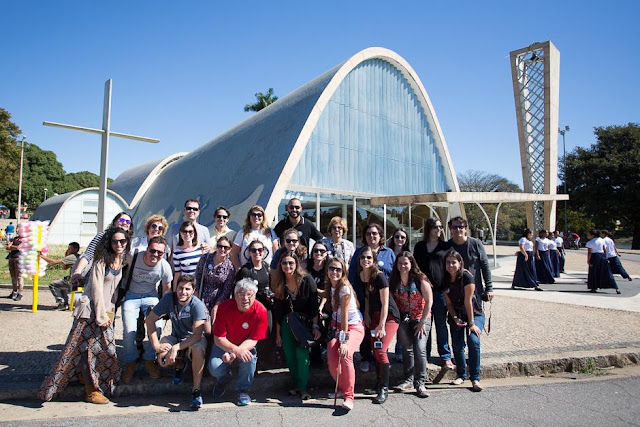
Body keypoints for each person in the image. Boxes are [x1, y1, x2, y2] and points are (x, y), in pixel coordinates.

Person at [39, 227, 129, 404]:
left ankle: (91, 381)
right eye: (115, 241)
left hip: (106, 311)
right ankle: (90, 390)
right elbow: (95, 288)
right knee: (85, 351)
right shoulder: (102, 260)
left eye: (122, 241)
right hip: (90, 312)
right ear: (109, 243)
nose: (119, 244)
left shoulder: (122, 260)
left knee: (106, 350)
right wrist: (101, 316)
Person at [146, 275, 208, 409]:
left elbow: (197, 335)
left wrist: (175, 348)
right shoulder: (169, 298)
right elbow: (150, 320)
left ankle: (196, 391)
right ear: (176, 288)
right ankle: (179, 364)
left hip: (193, 339)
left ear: (193, 291)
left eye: (187, 289)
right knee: (162, 358)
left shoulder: (197, 304)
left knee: (197, 349)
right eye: (180, 288)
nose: (183, 292)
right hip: (176, 336)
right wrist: (156, 345)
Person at [208, 278, 268, 406]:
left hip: (246, 345)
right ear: (234, 296)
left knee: (249, 358)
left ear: (254, 296)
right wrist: (233, 351)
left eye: (249, 294)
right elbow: (218, 338)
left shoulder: (261, 310)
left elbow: (254, 339)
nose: (245, 298)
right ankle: (223, 380)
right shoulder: (224, 307)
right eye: (240, 294)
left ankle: (243, 390)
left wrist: (236, 353)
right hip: (225, 345)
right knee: (214, 368)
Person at [121, 236, 173, 383]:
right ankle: (130, 362)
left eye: (160, 253)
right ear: (147, 248)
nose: (155, 255)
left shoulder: (164, 266)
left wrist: (163, 311)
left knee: (157, 327)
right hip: (132, 295)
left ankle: (149, 359)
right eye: (153, 251)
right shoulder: (134, 256)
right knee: (129, 330)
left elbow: (167, 290)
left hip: (151, 296)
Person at [272, 252, 320, 400]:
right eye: (284, 263)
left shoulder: (307, 280)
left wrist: (315, 326)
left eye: (291, 263)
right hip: (287, 323)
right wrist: (278, 334)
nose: (287, 266)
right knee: (290, 355)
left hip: (304, 324)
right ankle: (297, 385)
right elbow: (278, 311)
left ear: (296, 264)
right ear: (280, 266)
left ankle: (303, 388)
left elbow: (314, 307)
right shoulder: (280, 283)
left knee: (302, 355)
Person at [349, 223, 395, 372]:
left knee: (381, 331)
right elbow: (353, 276)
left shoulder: (388, 252)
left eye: (374, 233)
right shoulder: (359, 253)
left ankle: (381, 360)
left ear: (380, 236)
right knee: (366, 330)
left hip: (383, 299)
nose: (371, 236)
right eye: (368, 233)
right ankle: (365, 357)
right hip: (364, 298)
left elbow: (393, 275)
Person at [357, 247, 400, 404]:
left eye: (369, 257)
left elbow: (385, 303)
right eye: (363, 257)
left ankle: (383, 388)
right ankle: (378, 382)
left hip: (388, 317)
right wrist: (367, 313)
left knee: (381, 350)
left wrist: (381, 325)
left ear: (374, 260)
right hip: (374, 315)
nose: (365, 260)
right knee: (375, 349)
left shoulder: (380, 277)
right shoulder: (362, 275)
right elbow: (368, 295)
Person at [390, 251, 433, 398]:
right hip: (404, 319)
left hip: (421, 317)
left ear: (411, 264)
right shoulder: (394, 279)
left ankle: (420, 382)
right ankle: (408, 378)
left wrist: (422, 322)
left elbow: (429, 301)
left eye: (406, 263)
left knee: (419, 348)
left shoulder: (421, 279)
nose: (403, 266)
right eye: (400, 263)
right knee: (406, 349)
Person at [442, 249, 485, 392]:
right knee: (457, 344)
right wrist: (454, 317)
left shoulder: (467, 277)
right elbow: (448, 303)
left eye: (453, 262)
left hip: (473, 313)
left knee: (474, 340)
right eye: (448, 263)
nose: (450, 265)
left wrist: (472, 324)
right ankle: (461, 374)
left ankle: (475, 378)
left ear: (460, 264)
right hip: (457, 313)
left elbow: (469, 302)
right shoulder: (445, 279)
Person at [413, 217, 453, 372]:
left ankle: (445, 356)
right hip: (423, 291)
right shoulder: (420, 246)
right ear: (429, 229)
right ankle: (425, 354)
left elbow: (452, 265)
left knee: (441, 324)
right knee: (425, 324)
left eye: (441, 227)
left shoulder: (445, 246)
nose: (439, 230)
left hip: (440, 291)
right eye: (436, 227)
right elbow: (415, 268)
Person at [325, 257, 365, 411]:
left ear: (343, 272)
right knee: (332, 359)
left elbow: (345, 317)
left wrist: (343, 341)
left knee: (345, 354)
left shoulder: (344, 288)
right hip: (336, 326)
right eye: (331, 268)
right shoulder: (331, 285)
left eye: (338, 269)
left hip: (352, 327)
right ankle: (342, 388)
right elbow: (325, 296)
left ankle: (349, 396)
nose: (334, 272)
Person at [235, 239, 276, 369]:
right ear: (249, 253)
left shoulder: (265, 267)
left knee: (267, 332)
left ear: (264, 252)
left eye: (260, 250)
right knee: (252, 335)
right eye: (253, 250)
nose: (257, 253)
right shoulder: (245, 270)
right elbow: (239, 291)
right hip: (251, 308)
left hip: (266, 306)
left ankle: (264, 361)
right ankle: (252, 363)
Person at [70, 212, 134, 287]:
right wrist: (78, 271)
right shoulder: (103, 236)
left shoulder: (127, 241)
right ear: (115, 221)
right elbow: (88, 254)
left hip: (112, 279)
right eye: (122, 220)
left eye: (128, 222)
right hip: (95, 276)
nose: (125, 223)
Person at [447, 217, 493, 303]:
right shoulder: (446, 246)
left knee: (476, 315)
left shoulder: (476, 244)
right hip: (454, 289)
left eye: (461, 227)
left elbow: (485, 266)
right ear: (451, 229)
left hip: (475, 289)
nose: (458, 229)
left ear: (465, 229)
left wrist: (489, 288)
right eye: (454, 227)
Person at [194, 236, 236, 325]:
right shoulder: (205, 259)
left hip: (219, 301)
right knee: (205, 327)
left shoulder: (230, 268)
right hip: (202, 298)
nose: (222, 249)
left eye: (226, 247)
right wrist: (196, 298)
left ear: (230, 249)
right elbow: (197, 277)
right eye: (220, 246)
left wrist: (217, 306)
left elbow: (226, 290)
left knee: (215, 329)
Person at [231, 205, 279, 269]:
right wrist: (239, 270)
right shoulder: (242, 233)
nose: (256, 217)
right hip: (247, 272)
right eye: (253, 214)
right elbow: (233, 253)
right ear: (249, 217)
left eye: (259, 215)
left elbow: (277, 253)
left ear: (263, 217)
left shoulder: (270, 232)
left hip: (266, 272)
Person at [307, 241, 330, 367]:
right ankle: (315, 356)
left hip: (324, 304)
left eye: (322, 251)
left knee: (324, 326)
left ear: (326, 254)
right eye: (316, 251)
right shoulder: (307, 266)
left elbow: (327, 293)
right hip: (309, 303)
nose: (318, 253)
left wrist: (320, 308)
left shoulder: (328, 268)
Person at [39, 242, 81, 310]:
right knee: (62, 284)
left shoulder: (72, 256)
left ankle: (61, 302)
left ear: (75, 249)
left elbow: (53, 262)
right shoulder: (79, 256)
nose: (68, 250)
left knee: (53, 284)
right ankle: (64, 304)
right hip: (80, 281)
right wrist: (66, 256)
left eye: (70, 248)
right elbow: (65, 268)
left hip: (74, 282)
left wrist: (41, 256)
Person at [172, 221, 205, 290]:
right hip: (186, 287)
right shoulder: (177, 252)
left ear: (194, 234)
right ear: (180, 234)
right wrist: (175, 292)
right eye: (185, 231)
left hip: (201, 287)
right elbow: (177, 274)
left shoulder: (202, 249)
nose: (187, 234)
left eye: (190, 231)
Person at [585, 229, 620, 294]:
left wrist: (588, 260)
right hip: (602, 256)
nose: (587, 236)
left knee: (593, 272)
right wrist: (606, 257)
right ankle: (615, 287)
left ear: (592, 235)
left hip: (595, 256)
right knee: (606, 272)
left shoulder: (590, 242)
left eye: (588, 234)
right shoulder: (601, 240)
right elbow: (604, 249)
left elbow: (589, 252)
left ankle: (594, 287)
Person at [6, 234, 24, 301]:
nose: (17, 230)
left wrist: (11, 246)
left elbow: (18, 247)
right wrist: (12, 246)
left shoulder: (25, 239)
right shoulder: (15, 238)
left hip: (19, 258)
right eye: (17, 229)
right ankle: (14, 292)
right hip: (11, 258)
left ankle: (20, 294)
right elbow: (7, 247)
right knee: (13, 277)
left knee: (19, 276)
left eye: (19, 229)